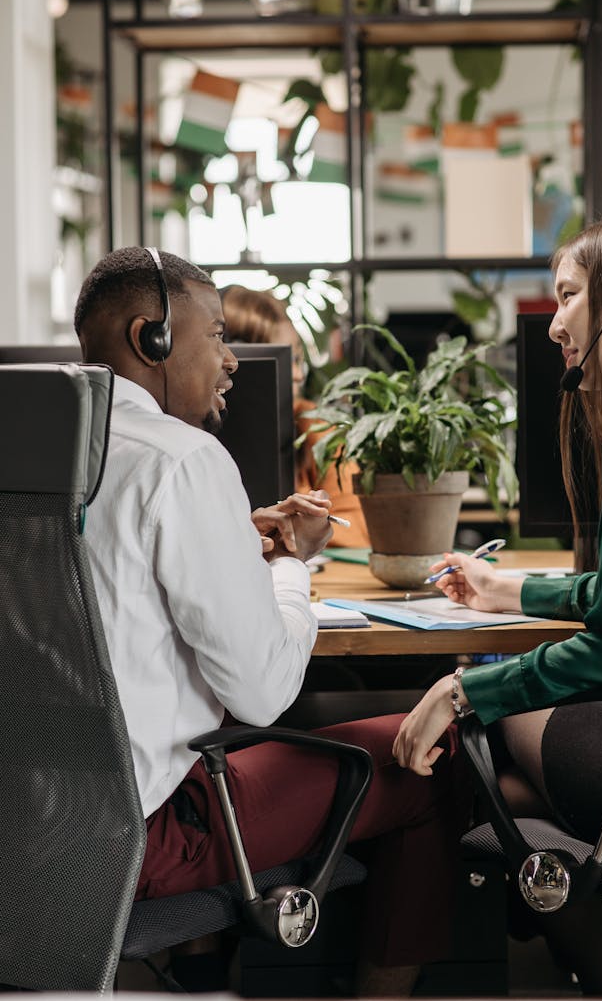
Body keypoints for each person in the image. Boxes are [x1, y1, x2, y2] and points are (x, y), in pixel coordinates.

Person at [74, 247, 468, 994]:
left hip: (33, 827)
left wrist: (228, 538)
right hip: (141, 836)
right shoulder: (182, 460)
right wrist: (293, 562)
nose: (230, 361)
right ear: (148, 338)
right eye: (215, 336)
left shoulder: (42, 453)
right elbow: (264, 692)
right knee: (431, 760)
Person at [393, 218, 602, 992]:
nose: (554, 326)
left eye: (569, 296)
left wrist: (460, 688)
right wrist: (511, 588)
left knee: (490, 725)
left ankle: (591, 981)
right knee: (502, 795)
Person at [220, 284, 369, 547]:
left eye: (298, 359)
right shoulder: (192, 433)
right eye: (284, 361)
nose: (299, 375)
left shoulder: (314, 426)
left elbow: (358, 527)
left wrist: (290, 528)